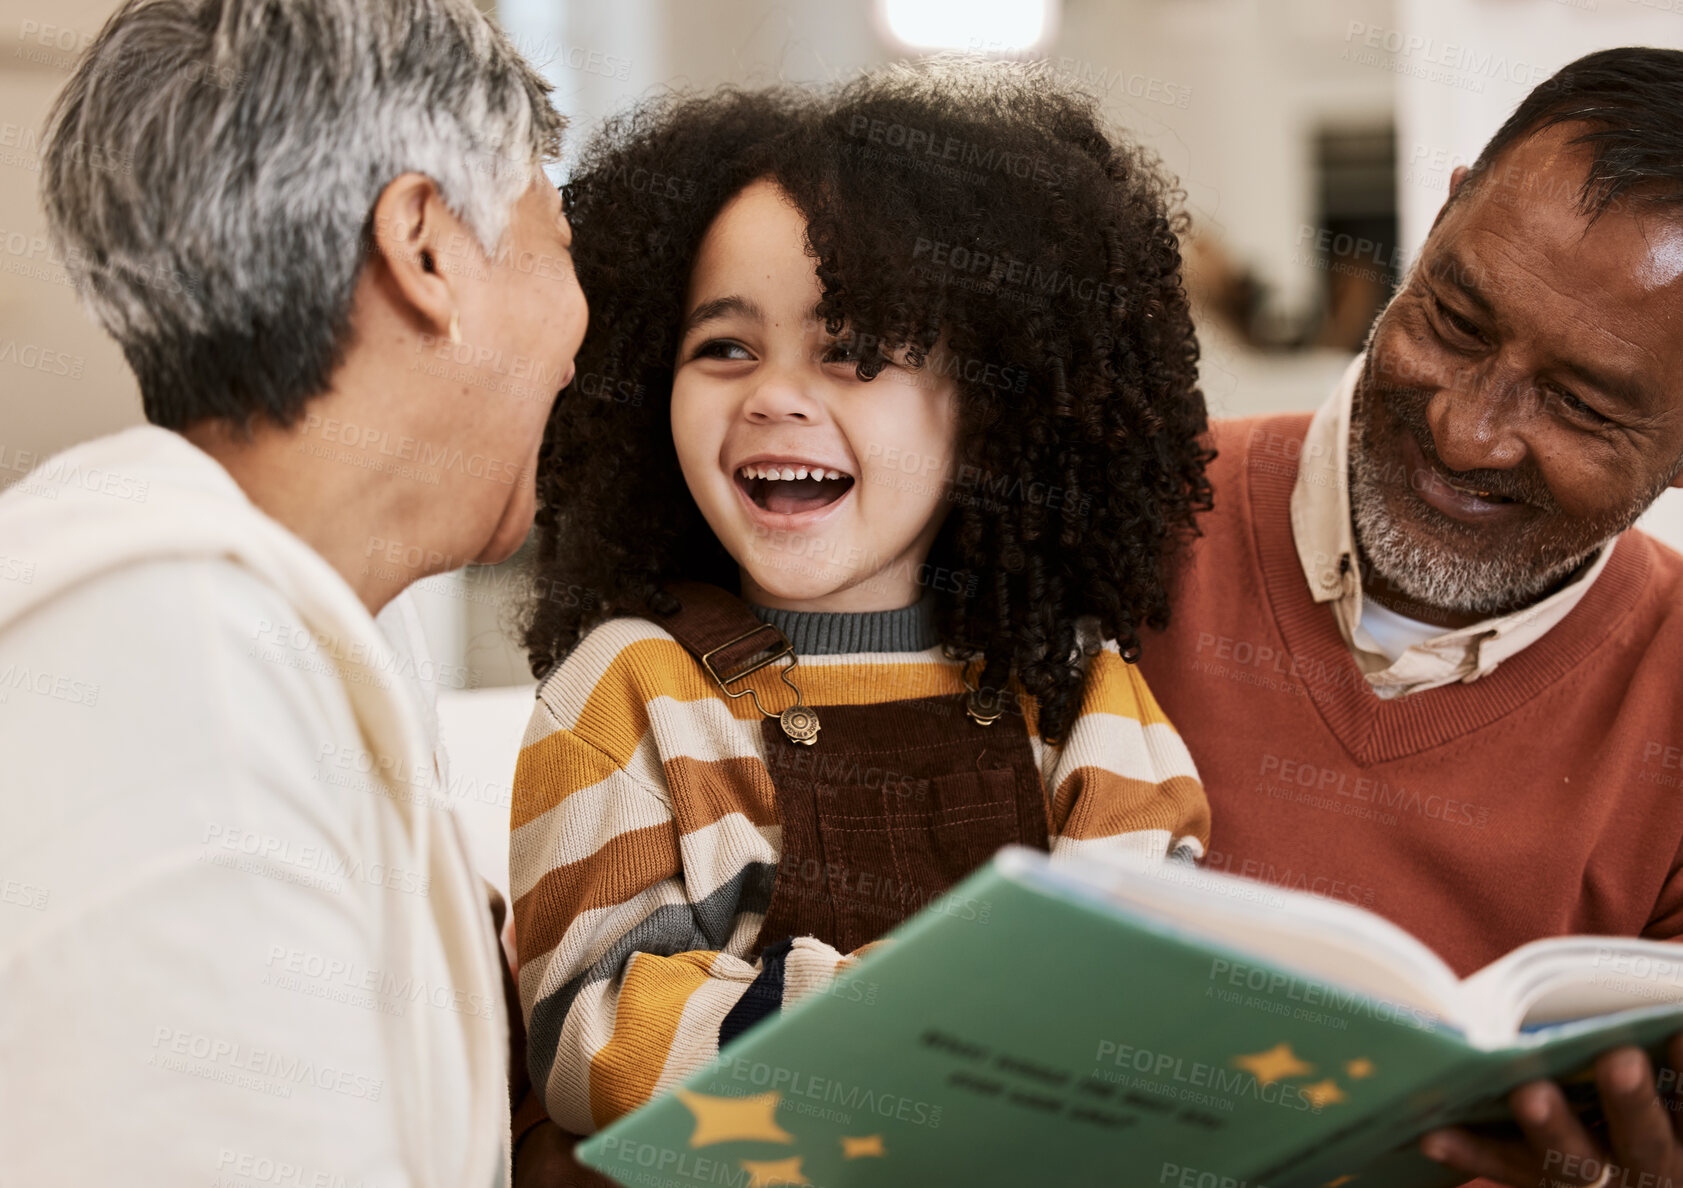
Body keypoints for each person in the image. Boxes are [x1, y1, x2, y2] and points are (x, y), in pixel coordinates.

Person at [506, 65, 1213, 1168]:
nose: (777, 395)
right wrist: (929, 1028)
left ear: (991, 410)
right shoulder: (633, 689)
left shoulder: (1075, 686)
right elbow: (590, 1041)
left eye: (854, 351)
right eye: (724, 347)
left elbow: (1149, 985)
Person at [0, 0, 586, 1184]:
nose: (582, 331)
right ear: (426, 248)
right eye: (560, 244)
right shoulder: (172, 658)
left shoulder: (298, 636)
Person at [1134, 47, 1683, 1188]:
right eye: (1456, 317)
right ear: (1436, 224)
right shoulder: (1108, 517)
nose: (1468, 431)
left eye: (1579, 404)